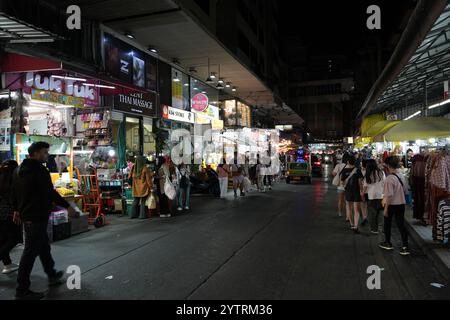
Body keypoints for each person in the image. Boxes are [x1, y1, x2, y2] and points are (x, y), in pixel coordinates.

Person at [11, 142, 77, 300]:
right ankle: (22, 290)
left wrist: (16, 209)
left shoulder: (18, 170)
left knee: (43, 246)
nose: (47, 155)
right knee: (30, 252)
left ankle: (52, 274)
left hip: (28, 215)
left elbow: (13, 192)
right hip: (36, 216)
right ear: (35, 153)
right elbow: (49, 192)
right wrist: (67, 206)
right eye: (45, 152)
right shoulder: (39, 170)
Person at [379, 156, 410, 255]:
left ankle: (388, 243)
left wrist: (386, 208)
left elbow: (388, 195)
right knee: (401, 225)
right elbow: (406, 190)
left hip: (392, 204)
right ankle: (405, 247)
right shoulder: (401, 175)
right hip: (401, 204)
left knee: (387, 224)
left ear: (388, 165)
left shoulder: (389, 178)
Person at [0, 160, 22, 275]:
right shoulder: (14, 181)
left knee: (3, 240)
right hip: (11, 214)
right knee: (14, 238)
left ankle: (7, 264)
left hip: (1, 215)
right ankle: (5, 261)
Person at [340, 154, 363, 233]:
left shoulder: (344, 170)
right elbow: (360, 183)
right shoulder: (358, 170)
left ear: (347, 162)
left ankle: (352, 224)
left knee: (349, 208)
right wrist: (362, 192)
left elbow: (342, 182)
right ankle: (356, 226)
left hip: (348, 191)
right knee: (356, 210)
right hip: (356, 191)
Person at [362, 159, 385, 234]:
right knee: (381, 212)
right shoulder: (381, 172)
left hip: (371, 196)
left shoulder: (368, 174)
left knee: (372, 213)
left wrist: (362, 193)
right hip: (381, 195)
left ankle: (374, 229)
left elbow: (365, 186)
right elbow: (384, 183)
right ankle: (380, 228)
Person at [332, 152, 349, 217]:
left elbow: (333, 173)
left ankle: (340, 213)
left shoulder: (338, 165)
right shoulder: (350, 166)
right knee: (347, 201)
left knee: (340, 200)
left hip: (340, 185)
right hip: (348, 186)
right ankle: (347, 215)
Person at [359, 160, 369, 226]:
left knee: (363, 205)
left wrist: (361, 191)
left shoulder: (360, 171)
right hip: (369, 191)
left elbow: (359, 182)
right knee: (367, 205)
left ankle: (364, 217)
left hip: (362, 190)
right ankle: (366, 217)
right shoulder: (370, 172)